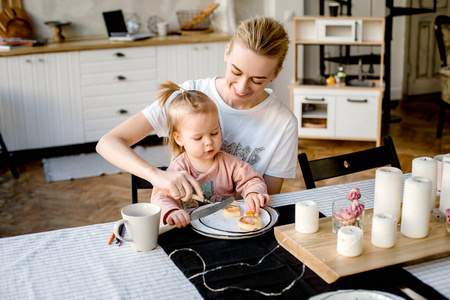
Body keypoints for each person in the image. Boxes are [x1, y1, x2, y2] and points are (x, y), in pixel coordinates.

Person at [96, 16, 298, 202]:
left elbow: (270, 197)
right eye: (236, 72)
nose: (242, 87)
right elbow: (108, 143)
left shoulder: (283, 123)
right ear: (227, 53)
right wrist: (156, 175)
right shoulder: (189, 97)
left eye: (257, 80)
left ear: (276, 74)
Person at [151, 81, 269, 228]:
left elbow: (252, 179)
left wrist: (253, 193)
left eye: (214, 133)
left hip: (225, 226)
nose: (208, 142)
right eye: (198, 138)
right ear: (179, 139)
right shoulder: (178, 168)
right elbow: (161, 196)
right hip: (191, 228)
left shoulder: (229, 163)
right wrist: (172, 211)